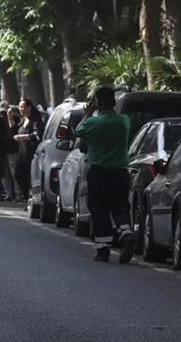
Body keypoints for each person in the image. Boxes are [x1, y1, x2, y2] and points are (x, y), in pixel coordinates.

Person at [75, 86, 135, 262]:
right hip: (120, 172)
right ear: (114, 102)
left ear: (97, 103)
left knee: (99, 209)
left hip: (98, 172)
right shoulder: (124, 121)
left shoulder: (92, 122)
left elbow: (78, 131)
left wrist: (88, 113)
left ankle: (103, 249)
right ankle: (126, 234)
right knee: (120, 206)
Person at [14, 99, 43, 199]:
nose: (20, 109)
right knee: (18, 174)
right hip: (22, 152)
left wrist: (23, 137)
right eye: (19, 107)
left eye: (22, 106)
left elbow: (37, 134)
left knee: (29, 176)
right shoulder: (23, 119)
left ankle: (31, 198)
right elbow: (15, 130)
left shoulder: (35, 119)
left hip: (31, 152)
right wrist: (9, 118)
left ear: (29, 107)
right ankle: (26, 195)